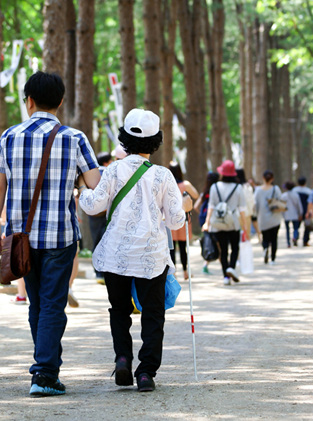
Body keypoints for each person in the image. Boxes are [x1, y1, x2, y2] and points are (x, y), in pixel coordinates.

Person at [0, 71, 100, 397]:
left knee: (37, 304)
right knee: (53, 304)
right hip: (60, 235)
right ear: (60, 101)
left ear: (29, 100)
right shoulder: (74, 138)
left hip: (19, 239)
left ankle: (46, 368)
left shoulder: (8, 137)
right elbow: (96, 184)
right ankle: (44, 373)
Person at [78, 108, 192, 392]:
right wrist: (187, 206)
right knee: (153, 313)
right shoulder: (163, 176)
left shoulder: (113, 170)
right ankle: (146, 372)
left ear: (124, 138)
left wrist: (82, 189)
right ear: (156, 142)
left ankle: (122, 360)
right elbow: (176, 219)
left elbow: (93, 206)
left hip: (115, 254)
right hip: (151, 256)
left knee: (119, 310)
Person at [202, 160, 247, 286]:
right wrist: (245, 226)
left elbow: (211, 206)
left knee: (223, 250)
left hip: (218, 222)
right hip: (233, 222)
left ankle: (225, 277)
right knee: (235, 247)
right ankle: (231, 268)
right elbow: (242, 209)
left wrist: (207, 223)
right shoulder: (238, 188)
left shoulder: (214, 187)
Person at [168, 161, 199, 280]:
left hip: (170, 218)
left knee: (171, 247)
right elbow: (195, 195)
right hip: (183, 218)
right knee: (182, 247)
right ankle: (186, 271)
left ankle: (173, 272)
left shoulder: (168, 184)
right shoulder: (185, 184)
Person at [88, 151, 113, 284]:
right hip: (106, 213)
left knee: (96, 241)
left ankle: (98, 272)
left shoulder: (93, 173)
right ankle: (104, 271)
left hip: (93, 213)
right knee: (106, 242)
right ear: (106, 162)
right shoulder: (108, 173)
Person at [254, 170, 282, 264]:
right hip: (275, 218)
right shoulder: (276, 189)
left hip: (263, 218)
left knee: (265, 237)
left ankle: (265, 248)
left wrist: (256, 215)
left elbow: (255, 204)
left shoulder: (258, 190)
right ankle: (273, 259)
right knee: (274, 239)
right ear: (272, 179)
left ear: (263, 178)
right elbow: (280, 200)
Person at [194, 171, 219, 274]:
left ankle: (205, 265)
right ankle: (225, 268)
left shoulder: (204, 192)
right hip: (214, 220)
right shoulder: (217, 192)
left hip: (203, 220)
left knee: (209, 241)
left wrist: (201, 215)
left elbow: (195, 206)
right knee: (217, 243)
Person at [281, 181, 303, 247]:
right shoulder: (296, 195)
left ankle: (288, 243)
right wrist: (300, 213)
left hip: (286, 215)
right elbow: (299, 205)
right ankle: (294, 237)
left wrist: (283, 215)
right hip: (295, 214)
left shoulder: (283, 196)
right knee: (295, 228)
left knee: (287, 230)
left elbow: (282, 206)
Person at [294, 176, 312, 246]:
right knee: (307, 227)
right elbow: (310, 203)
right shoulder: (308, 191)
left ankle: (295, 238)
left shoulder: (294, 191)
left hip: (297, 212)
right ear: (305, 182)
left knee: (296, 226)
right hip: (306, 211)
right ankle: (305, 241)